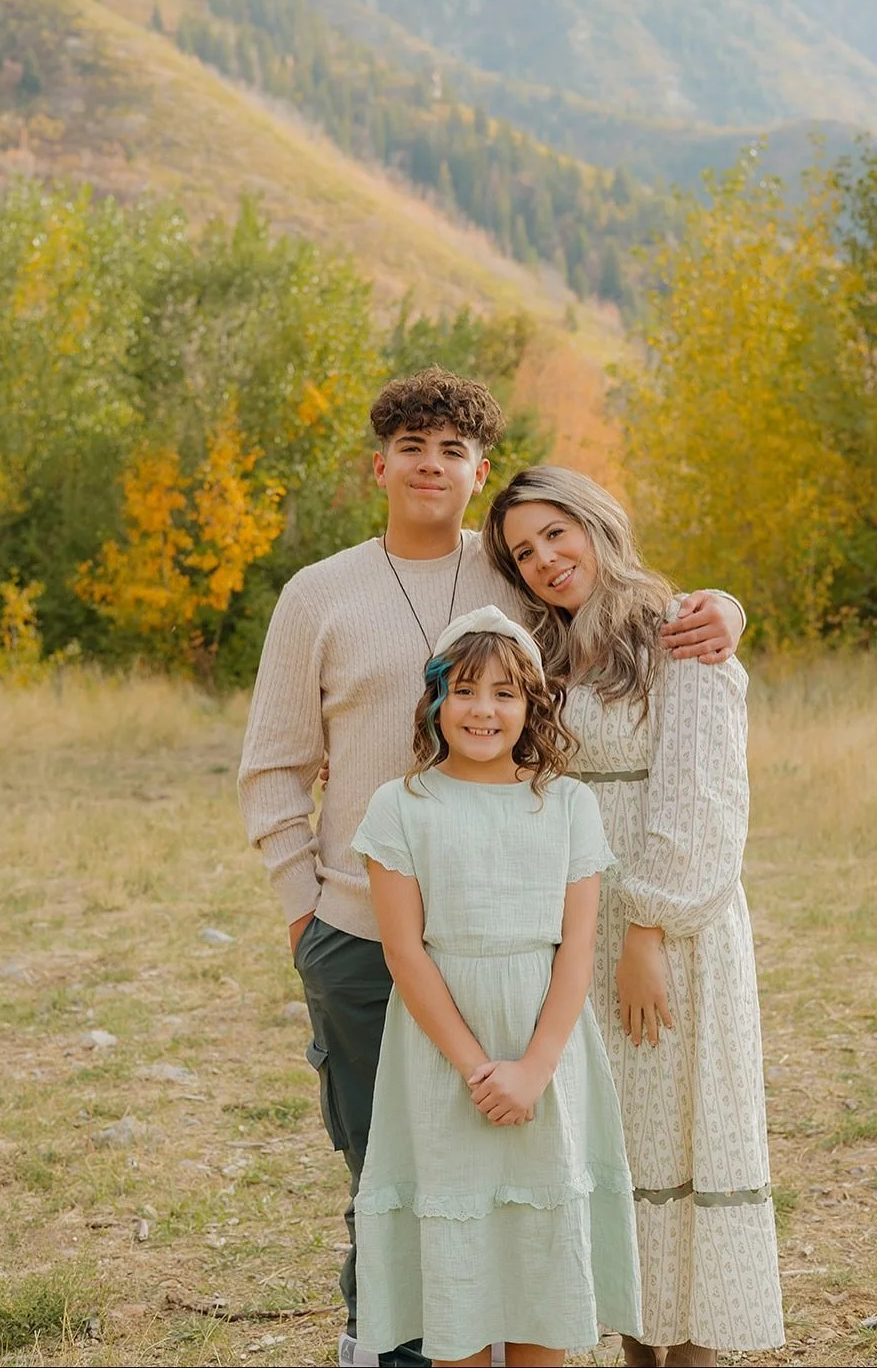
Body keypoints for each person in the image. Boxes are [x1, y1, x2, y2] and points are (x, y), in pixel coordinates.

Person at [238, 368, 745, 1368]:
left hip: (507, 929)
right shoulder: (317, 593)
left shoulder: (512, 576)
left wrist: (721, 609)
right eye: (410, 448)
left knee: (515, 1163)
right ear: (376, 465)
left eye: (451, 451)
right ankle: (387, 1349)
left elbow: (623, 602)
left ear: (476, 473)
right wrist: (305, 915)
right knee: (387, 1166)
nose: (430, 465)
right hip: (355, 930)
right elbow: (272, 767)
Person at [483, 467, 785, 1368]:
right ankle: (633, 1351)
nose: (543, 560)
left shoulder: (677, 633)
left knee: (674, 1143)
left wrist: (647, 928)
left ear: (596, 522)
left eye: (554, 534)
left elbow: (702, 795)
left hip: (664, 930)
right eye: (523, 552)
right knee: (612, 1150)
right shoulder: (545, 648)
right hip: (574, 931)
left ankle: (684, 1353)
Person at [351, 607, 642, 1367]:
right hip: (443, 1054)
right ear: (435, 700)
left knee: (540, 1248)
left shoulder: (567, 804)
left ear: (532, 707)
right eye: (466, 691)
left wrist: (534, 1068)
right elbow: (405, 953)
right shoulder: (400, 806)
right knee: (460, 1254)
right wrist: (478, 1069)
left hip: (545, 1045)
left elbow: (576, 947)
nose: (484, 710)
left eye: (505, 693)